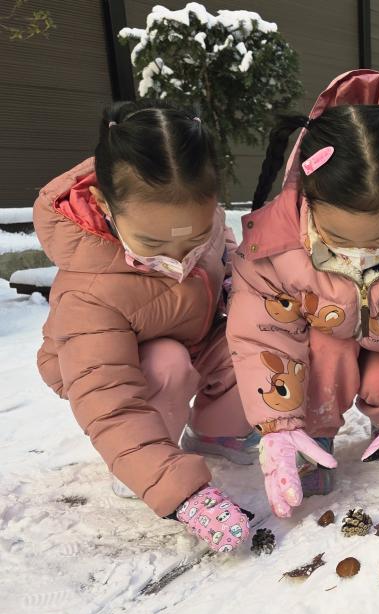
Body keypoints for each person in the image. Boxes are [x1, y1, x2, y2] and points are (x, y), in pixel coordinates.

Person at [227, 70, 379, 518]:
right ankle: (311, 437)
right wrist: (278, 423)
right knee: (326, 353)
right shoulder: (275, 247)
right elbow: (263, 335)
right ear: (307, 198)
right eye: (338, 238)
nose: (359, 255)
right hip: (323, 344)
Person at [34, 100, 257, 553]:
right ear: (104, 205)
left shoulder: (202, 221)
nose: (178, 257)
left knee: (253, 337)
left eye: (193, 238)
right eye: (154, 243)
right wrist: (180, 491)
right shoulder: (89, 291)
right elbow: (109, 402)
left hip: (192, 333)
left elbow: (223, 246)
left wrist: (238, 279)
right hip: (112, 370)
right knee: (166, 363)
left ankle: (214, 431)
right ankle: (144, 464)